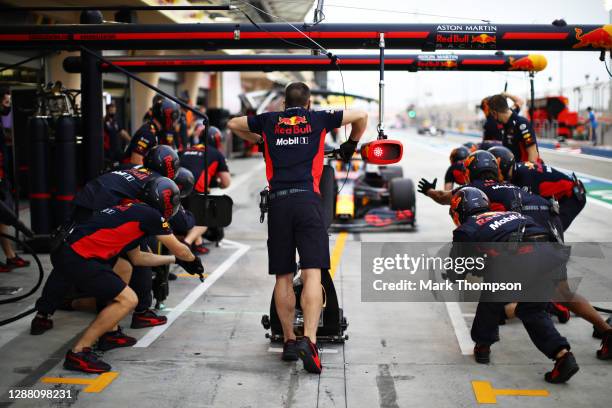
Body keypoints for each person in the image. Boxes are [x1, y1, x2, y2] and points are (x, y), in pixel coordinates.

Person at [227, 81, 368, 374]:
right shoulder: (317, 118)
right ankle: (310, 341)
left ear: (282, 104)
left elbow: (233, 123)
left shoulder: (269, 121)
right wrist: (350, 145)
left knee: (283, 276)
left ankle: (290, 341)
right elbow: (360, 114)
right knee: (312, 272)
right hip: (307, 201)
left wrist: (261, 140)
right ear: (307, 105)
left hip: (278, 203)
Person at [32, 178, 203, 373]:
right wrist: (192, 260)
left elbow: (138, 258)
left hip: (71, 249)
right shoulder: (151, 216)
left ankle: (110, 333)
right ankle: (78, 353)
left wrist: (174, 260)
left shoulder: (135, 210)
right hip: (77, 256)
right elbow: (181, 249)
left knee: (124, 267)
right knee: (128, 300)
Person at [449, 187, 579, 383]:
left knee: (491, 297)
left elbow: (459, 269)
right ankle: (563, 356)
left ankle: (483, 346)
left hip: (521, 256)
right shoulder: (511, 214)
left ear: (460, 210)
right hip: (552, 253)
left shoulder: (466, 229)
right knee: (532, 310)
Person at [488, 146, 586, 230]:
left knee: (550, 231)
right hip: (562, 195)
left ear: (503, 166)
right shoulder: (519, 170)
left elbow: (531, 208)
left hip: (573, 196)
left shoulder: (526, 177)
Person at [178, 141, 231, 254]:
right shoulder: (216, 154)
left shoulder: (186, 149)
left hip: (174, 188)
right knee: (206, 219)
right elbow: (226, 182)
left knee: (191, 215)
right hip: (195, 189)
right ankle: (186, 244)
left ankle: (198, 244)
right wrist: (214, 182)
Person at [0, 86, 29, 272]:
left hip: (4, 175)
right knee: (3, 217)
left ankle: (10, 255)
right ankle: (10, 255)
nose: (7, 106)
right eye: (5, 102)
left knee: (4, 217)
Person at [124, 98, 180, 166]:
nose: (174, 121)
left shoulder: (161, 132)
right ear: (164, 115)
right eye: (173, 116)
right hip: (129, 171)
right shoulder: (147, 133)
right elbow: (136, 161)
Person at [488, 94, 540, 163]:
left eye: (492, 114)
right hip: (512, 167)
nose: (494, 118)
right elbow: (520, 102)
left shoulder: (522, 125)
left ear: (494, 113)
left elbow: (533, 153)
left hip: (524, 168)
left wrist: (527, 172)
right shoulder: (509, 113)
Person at [103, 101, 131, 166]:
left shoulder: (116, 121)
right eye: (111, 109)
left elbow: (122, 132)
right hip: (108, 151)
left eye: (114, 109)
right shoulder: (104, 121)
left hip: (117, 149)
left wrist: (131, 140)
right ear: (107, 110)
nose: (112, 110)